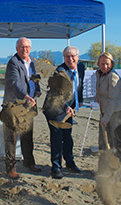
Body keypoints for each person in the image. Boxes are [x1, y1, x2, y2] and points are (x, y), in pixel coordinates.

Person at [3, 37, 42, 179]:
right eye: (21, 47)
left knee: (27, 136)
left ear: (30, 48)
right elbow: (14, 83)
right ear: (17, 48)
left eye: (27, 47)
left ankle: (29, 162)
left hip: (28, 106)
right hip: (14, 106)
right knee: (11, 139)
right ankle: (11, 169)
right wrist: (26, 95)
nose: (24, 49)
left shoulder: (32, 61)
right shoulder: (13, 62)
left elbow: (34, 78)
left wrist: (37, 89)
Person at [45, 46, 84, 179]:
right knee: (57, 137)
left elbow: (80, 86)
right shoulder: (59, 72)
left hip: (68, 109)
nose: (70, 59)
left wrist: (79, 101)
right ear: (63, 58)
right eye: (67, 56)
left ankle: (70, 163)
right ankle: (56, 167)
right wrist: (67, 105)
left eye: (73, 56)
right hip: (54, 108)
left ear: (78, 57)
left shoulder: (81, 67)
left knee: (68, 136)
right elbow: (58, 93)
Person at [95, 52, 121, 150]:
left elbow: (113, 99)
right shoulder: (99, 74)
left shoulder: (113, 77)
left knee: (114, 141)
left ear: (112, 64)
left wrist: (106, 118)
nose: (105, 66)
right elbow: (99, 89)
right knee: (103, 140)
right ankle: (104, 161)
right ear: (98, 64)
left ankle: (115, 162)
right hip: (105, 110)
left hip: (117, 112)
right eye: (102, 64)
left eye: (107, 64)